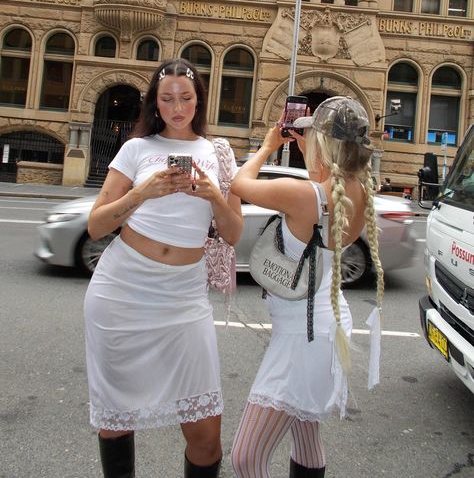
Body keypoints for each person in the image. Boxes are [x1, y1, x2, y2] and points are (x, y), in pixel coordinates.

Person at [84, 58, 243, 478]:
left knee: (207, 437)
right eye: (167, 99)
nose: (177, 108)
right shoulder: (136, 149)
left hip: (184, 299)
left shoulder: (218, 154)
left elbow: (233, 234)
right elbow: (97, 225)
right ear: (155, 103)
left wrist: (214, 196)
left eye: (186, 98)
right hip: (122, 292)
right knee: (116, 421)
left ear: (198, 101)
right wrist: (142, 192)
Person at [230, 96, 384, 478]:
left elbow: (239, 183)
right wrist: (304, 142)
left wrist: (268, 146)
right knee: (306, 437)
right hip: (326, 330)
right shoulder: (357, 187)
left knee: (246, 458)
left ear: (324, 146)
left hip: (304, 339)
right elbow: (323, 177)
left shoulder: (304, 197)